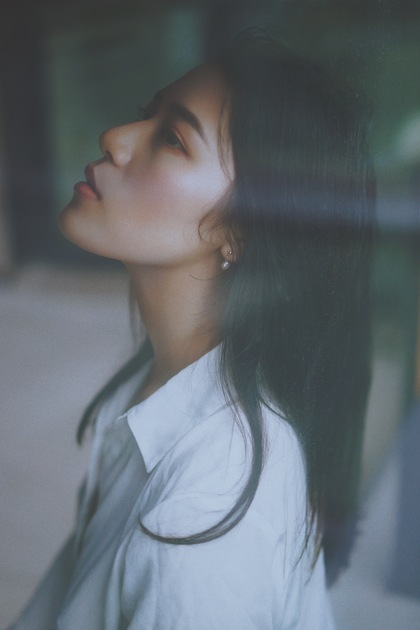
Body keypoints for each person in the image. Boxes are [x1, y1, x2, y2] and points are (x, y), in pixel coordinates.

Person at [9, 30, 375, 629]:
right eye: (146, 115)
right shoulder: (170, 388)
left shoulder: (200, 523)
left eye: (172, 139)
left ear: (241, 232)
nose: (115, 137)